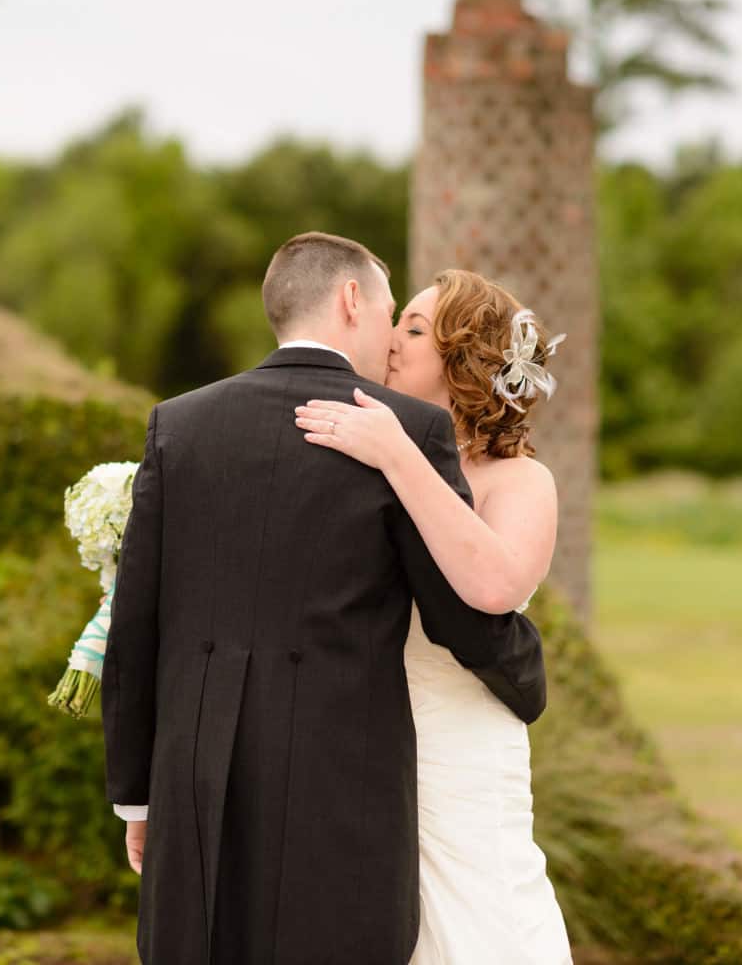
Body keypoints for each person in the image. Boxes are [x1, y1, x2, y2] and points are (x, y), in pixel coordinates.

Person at [101, 232, 547, 965]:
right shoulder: (406, 429)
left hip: (199, 774)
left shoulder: (178, 422)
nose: (395, 336)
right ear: (350, 301)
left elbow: (135, 626)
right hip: (342, 777)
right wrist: (526, 675)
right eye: (393, 313)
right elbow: (461, 616)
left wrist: (137, 798)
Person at [294, 268, 572, 964]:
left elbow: (493, 585)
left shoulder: (520, 482)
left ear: (464, 360)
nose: (391, 339)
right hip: (361, 741)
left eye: (415, 329)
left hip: (461, 744)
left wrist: (398, 454)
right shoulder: (358, 462)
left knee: (479, 913)